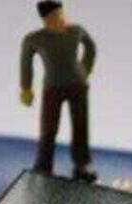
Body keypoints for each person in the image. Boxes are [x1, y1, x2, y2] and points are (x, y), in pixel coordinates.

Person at [20, 0, 98, 182]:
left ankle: (82, 165)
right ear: (46, 20)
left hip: (78, 86)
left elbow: (91, 47)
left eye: (61, 14)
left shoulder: (76, 31)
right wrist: (26, 88)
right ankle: (43, 166)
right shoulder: (35, 39)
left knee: (81, 125)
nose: (60, 19)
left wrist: (85, 70)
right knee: (48, 128)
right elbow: (26, 64)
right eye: (54, 17)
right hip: (53, 88)